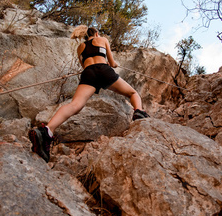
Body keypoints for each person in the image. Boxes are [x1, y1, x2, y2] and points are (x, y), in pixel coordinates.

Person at [28, 26, 149, 162]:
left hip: (88, 73)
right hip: (104, 69)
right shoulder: (102, 39)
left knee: (75, 105)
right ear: (96, 33)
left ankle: (47, 130)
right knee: (133, 93)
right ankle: (138, 112)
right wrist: (112, 64)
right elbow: (113, 62)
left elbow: (84, 66)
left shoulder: (80, 47)